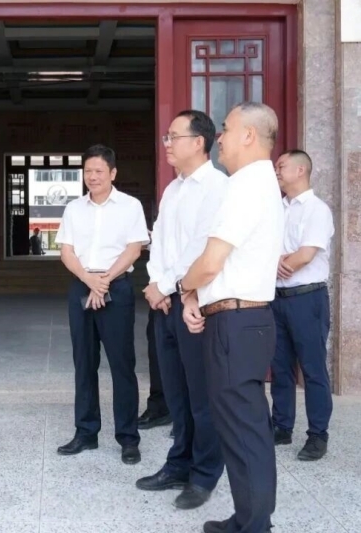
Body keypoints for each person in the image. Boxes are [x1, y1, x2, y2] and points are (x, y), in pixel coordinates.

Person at [178, 101, 284, 533]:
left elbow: (210, 262)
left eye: (225, 128)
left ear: (249, 135)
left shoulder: (245, 185)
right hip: (245, 321)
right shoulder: (259, 183)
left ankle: (255, 525)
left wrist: (185, 288)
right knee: (246, 428)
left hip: (235, 324)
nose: (219, 137)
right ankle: (249, 518)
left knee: (244, 430)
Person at [137, 109, 227, 511]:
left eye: (173, 136)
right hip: (166, 303)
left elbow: (201, 247)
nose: (167, 144)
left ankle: (204, 475)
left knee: (201, 395)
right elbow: (159, 242)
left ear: (199, 142)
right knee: (176, 392)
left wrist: (169, 285)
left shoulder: (217, 187)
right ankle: (178, 463)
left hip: (197, 304)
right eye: (166, 137)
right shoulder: (172, 189)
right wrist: (157, 285)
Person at [55, 144, 149, 465]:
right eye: (88, 171)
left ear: (113, 173)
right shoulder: (74, 208)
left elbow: (134, 249)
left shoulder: (130, 206)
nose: (92, 177)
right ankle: (86, 432)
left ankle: (128, 438)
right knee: (84, 363)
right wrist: (88, 279)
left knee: (122, 365)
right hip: (82, 286)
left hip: (116, 288)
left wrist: (104, 280)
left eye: (98, 171)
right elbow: (66, 251)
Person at [271, 149, 334, 461]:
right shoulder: (276, 209)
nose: (276, 170)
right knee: (280, 367)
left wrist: (280, 263)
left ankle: (317, 435)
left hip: (307, 299)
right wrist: (274, 263)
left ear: (300, 170)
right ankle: (281, 426)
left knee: (312, 369)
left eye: (281, 166)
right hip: (276, 299)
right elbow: (265, 250)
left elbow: (305, 255)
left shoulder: (316, 209)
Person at [139, 230, 172, 432]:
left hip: (190, 292)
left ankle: (186, 414)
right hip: (159, 292)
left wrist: (165, 288)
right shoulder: (165, 213)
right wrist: (157, 287)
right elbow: (158, 251)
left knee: (190, 359)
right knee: (157, 352)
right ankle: (160, 407)